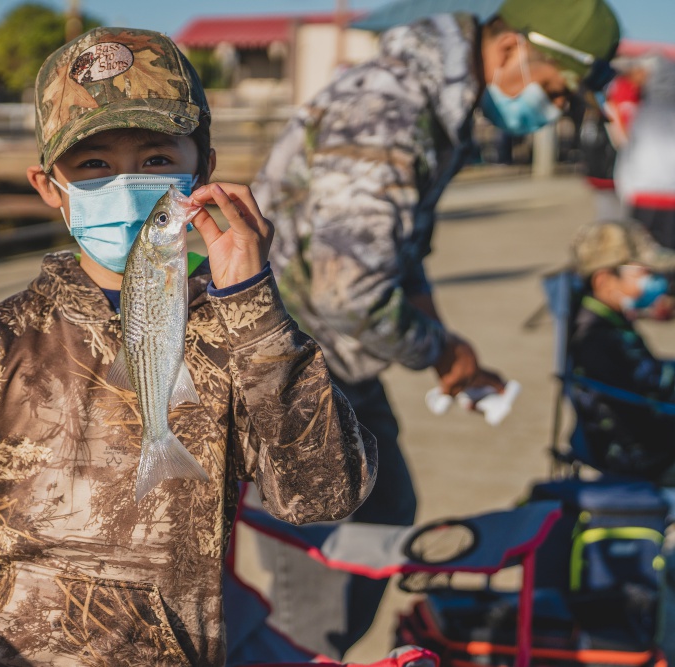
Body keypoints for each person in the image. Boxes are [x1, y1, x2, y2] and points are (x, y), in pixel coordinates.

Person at [0, 27, 377, 667]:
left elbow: (323, 496)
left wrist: (255, 306)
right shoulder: (2, 335)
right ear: (51, 187)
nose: (126, 182)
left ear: (201, 169)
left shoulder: (238, 328)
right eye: (93, 164)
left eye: (155, 160)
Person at [241, 0, 621, 658]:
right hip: (287, 365)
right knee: (323, 580)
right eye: (556, 93)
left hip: (337, 360)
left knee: (388, 503)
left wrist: (452, 354)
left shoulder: (440, 109)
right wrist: (442, 348)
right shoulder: (388, 110)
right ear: (509, 53)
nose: (555, 113)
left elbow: (400, 252)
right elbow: (347, 290)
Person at [568, 219, 675, 480]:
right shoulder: (595, 337)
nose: (657, 281)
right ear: (605, 281)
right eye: (644, 274)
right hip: (636, 454)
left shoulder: (604, 318)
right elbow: (642, 404)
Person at [615, 59, 675, 248]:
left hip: (642, 197)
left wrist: (626, 188)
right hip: (661, 198)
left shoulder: (642, 113)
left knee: (640, 257)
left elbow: (628, 152)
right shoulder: (643, 112)